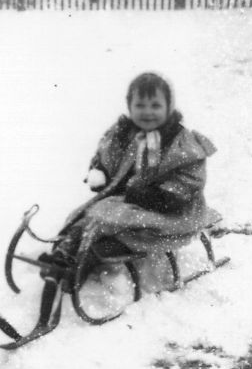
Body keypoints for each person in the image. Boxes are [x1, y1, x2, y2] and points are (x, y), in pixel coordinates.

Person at [53, 72, 219, 268]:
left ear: (169, 107)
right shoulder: (124, 133)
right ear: (130, 106)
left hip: (171, 210)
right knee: (87, 215)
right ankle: (65, 250)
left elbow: (189, 181)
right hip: (129, 201)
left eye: (155, 106)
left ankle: (91, 255)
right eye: (140, 106)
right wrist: (100, 171)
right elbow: (106, 154)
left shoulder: (182, 144)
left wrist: (159, 196)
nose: (147, 112)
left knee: (108, 218)